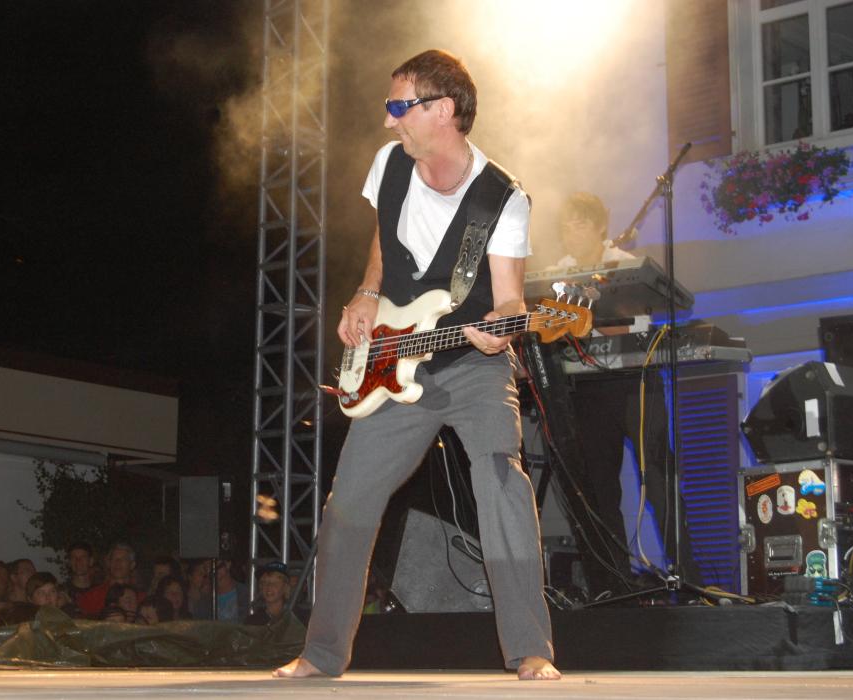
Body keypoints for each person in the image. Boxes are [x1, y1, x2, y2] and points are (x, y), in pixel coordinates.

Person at [275, 50, 557, 681]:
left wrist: (500, 330)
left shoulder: (502, 198)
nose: (388, 120)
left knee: (501, 481)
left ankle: (530, 649)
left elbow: (511, 298)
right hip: (394, 362)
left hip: (474, 365)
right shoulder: (390, 163)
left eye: (400, 106)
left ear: (443, 110)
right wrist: (366, 294)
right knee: (349, 501)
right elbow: (385, 238)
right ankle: (322, 654)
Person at [554, 192, 700, 594]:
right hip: (587, 388)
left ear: (600, 226)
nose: (572, 232)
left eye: (580, 223)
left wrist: (587, 313)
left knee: (658, 482)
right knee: (600, 490)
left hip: (635, 384)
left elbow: (626, 328)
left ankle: (690, 581)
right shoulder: (558, 274)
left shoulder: (625, 266)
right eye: (566, 226)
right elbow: (551, 330)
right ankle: (615, 586)